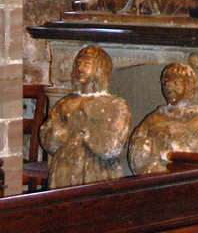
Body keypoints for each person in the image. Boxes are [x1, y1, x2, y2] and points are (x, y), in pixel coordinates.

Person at [40, 46, 132, 188]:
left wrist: (87, 136)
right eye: (78, 64)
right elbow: (48, 138)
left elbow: (113, 146)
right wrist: (58, 135)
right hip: (64, 169)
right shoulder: (65, 103)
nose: (80, 68)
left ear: (100, 70)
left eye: (86, 65)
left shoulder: (116, 105)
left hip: (98, 171)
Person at [128, 62, 198, 175]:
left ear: (190, 84)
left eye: (175, 80)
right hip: (151, 180)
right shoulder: (152, 120)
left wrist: (161, 148)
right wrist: (164, 148)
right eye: (165, 82)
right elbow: (135, 154)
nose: (168, 85)